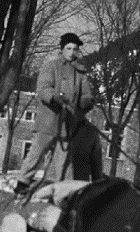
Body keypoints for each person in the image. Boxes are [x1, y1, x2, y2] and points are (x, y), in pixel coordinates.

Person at [14, 33, 98, 195]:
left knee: (63, 161)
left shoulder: (81, 73)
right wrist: (55, 97)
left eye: (75, 49)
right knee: (37, 153)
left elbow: (86, 95)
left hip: (68, 124)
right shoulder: (51, 66)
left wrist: (85, 102)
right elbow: (43, 88)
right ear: (62, 49)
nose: (72, 52)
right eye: (68, 48)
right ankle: (22, 183)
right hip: (49, 120)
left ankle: (61, 191)